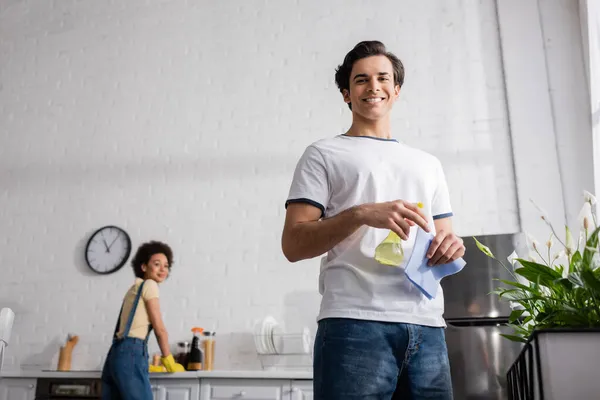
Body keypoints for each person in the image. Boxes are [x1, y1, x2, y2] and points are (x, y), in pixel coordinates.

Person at [281, 41, 465, 399]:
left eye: (383, 78)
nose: (373, 86)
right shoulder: (324, 154)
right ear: (346, 94)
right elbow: (293, 244)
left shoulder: (428, 164)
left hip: (427, 327)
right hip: (354, 324)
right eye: (361, 80)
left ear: (396, 90)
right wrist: (362, 213)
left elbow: (446, 239)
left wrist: (451, 246)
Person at [101, 240, 185, 400]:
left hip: (115, 354)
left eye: (166, 266)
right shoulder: (150, 285)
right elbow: (159, 329)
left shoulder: (134, 289)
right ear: (144, 267)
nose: (162, 269)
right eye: (157, 264)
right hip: (131, 352)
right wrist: (168, 359)